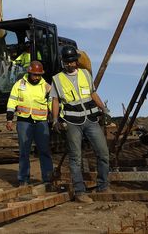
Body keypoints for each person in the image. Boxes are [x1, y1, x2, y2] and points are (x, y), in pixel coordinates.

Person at [50, 45, 110, 203]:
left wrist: (103, 108)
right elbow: (55, 100)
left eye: (72, 62)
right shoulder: (57, 79)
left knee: (103, 153)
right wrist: (55, 119)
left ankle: (103, 185)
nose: (70, 64)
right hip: (72, 122)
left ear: (76, 61)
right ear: (63, 62)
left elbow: (92, 93)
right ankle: (79, 191)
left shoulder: (85, 74)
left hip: (91, 120)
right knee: (75, 158)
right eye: (67, 62)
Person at [5, 60, 53, 188]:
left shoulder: (46, 87)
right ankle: (23, 179)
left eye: (39, 75)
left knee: (44, 150)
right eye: (34, 74)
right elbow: (12, 102)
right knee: (24, 151)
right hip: (24, 121)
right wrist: (9, 118)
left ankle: (48, 179)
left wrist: (57, 117)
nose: (37, 77)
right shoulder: (19, 84)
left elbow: (52, 104)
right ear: (29, 72)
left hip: (41, 122)